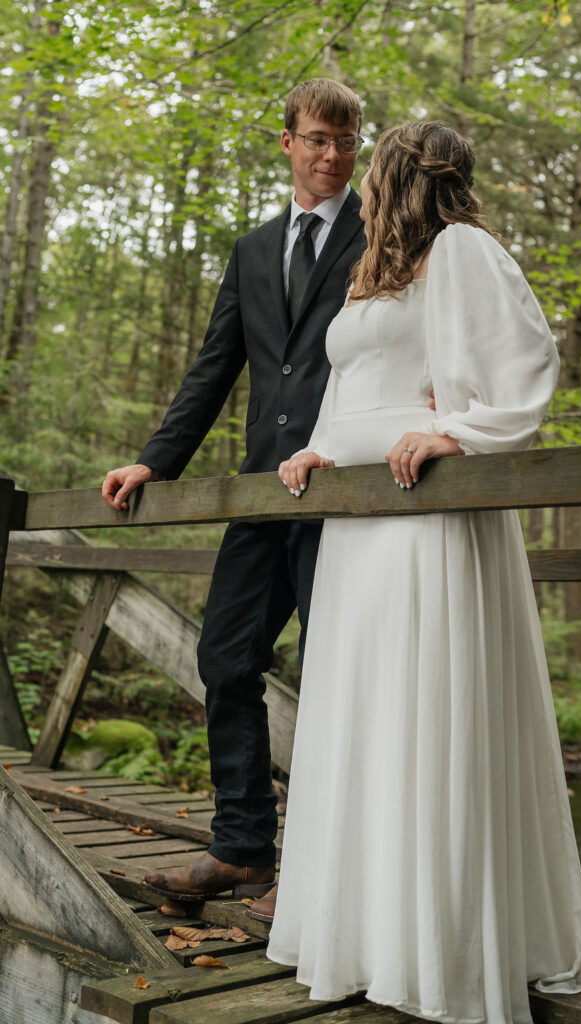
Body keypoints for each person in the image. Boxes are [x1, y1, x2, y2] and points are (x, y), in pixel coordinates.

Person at [267, 122, 581, 1021]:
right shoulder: (375, 274)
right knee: (364, 718)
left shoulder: (462, 251)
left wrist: (459, 432)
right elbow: (350, 386)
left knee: (421, 711)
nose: (355, 186)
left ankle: (436, 950)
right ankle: (364, 934)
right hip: (361, 525)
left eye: (372, 174)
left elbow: (524, 364)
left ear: (399, 178)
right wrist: (319, 450)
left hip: (427, 523)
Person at [101, 78, 366, 903]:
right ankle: (244, 848)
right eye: (317, 139)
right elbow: (215, 365)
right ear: (285, 140)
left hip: (349, 494)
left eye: (345, 141)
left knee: (346, 675)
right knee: (223, 660)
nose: (332, 156)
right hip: (262, 495)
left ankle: (346, 869)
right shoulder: (252, 250)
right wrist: (156, 459)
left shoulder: (382, 231)